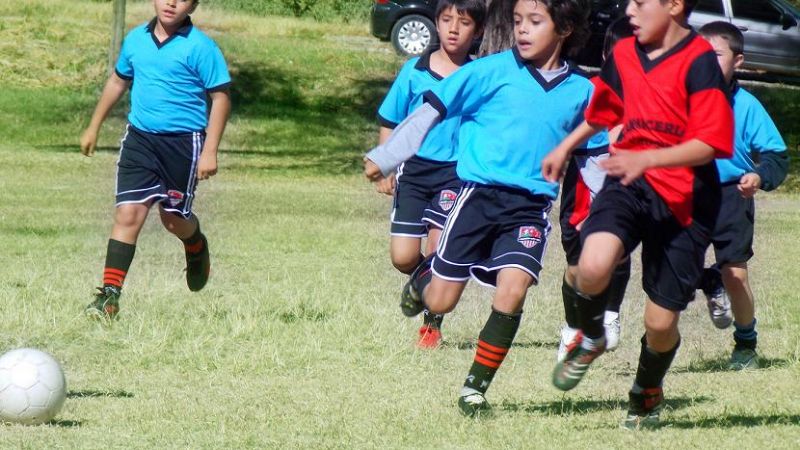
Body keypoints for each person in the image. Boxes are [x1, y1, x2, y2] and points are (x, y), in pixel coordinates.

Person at [366, 0, 602, 417]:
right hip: (475, 199)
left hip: (529, 209)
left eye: (534, 22)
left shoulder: (583, 92)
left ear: (564, 28)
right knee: (440, 302)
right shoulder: (486, 72)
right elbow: (428, 114)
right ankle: (424, 278)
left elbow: (596, 157)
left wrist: (608, 209)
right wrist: (387, 156)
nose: (523, 30)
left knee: (513, 290)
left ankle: (474, 390)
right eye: (517, 22)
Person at [542, 0, 734, 429]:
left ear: (674, 6)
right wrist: (565, 146)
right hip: (629, 184)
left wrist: (649, 161)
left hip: (687, 199)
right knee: (591, 265)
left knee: (659, 323)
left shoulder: (700, 61)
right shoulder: (626, 53)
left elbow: (711, 143)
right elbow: (604, 112)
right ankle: (591, 336)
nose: (629, 10)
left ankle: (646, 389)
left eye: (640, 2)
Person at [79, 0, 231, 320]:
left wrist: (211, 150)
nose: (171, 2)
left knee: (172, 220)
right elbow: (118, 81)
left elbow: (220, 98)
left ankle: (195, 244)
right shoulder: (135, 39)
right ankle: (109, 297)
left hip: (183, 144)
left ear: (195, 4)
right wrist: (94, 126)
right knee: (128, 214)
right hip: (140, 139)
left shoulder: (201, 47)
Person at [374, 0, 485, 349]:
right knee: (403, 257)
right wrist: (385, 165)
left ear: (477, 30)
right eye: (446, 19)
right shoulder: (413, 70)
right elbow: (390, 120)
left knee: (440, 249)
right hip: (414, 171)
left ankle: (432, 323)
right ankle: (424, 284)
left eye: (463, 22)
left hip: (456, 174)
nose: (453, 28)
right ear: (435, 23)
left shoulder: (479, 76)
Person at [696, 21, 788, 369]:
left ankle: (746, 344)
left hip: (732, 195)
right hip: (688, 192)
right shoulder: (679, 98)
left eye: (715, 55)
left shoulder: (747, 106)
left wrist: (758, 176)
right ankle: (709, 281)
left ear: (738, 61)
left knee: (735, 274)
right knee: (672, 266)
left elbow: (778, 157)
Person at [556, 16, 634, 361]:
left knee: (618, 251)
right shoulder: (587, 90)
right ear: (605, 55)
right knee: (576, 263)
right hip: (582, 190)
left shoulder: (651, 95)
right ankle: (573, 327)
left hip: (622, 189)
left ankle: (611, 314)